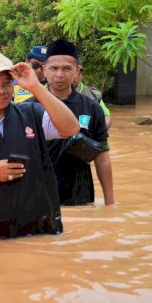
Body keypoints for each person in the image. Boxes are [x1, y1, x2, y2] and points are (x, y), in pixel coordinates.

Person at [0, 52, 80, 238]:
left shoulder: (32, 114)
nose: (2, 90)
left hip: (38, 231)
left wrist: (36, 87)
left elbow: (71, 128)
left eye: (7, 82)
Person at [40, 39, 114, 206]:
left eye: (67, 68)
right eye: (54, 68)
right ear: (44, 70)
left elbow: (102, 157)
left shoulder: (92, 107)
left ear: (77, 72)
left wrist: (110, 204)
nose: (60, 74)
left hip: (80, 195)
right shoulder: (29, 107)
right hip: (41, 197)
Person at [74, 61, 111, 128]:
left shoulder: (93, 94)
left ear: (81, 74)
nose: (74, 76)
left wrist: (100, 132)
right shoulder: (53, 94)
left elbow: (106, 116)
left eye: (77, 72)